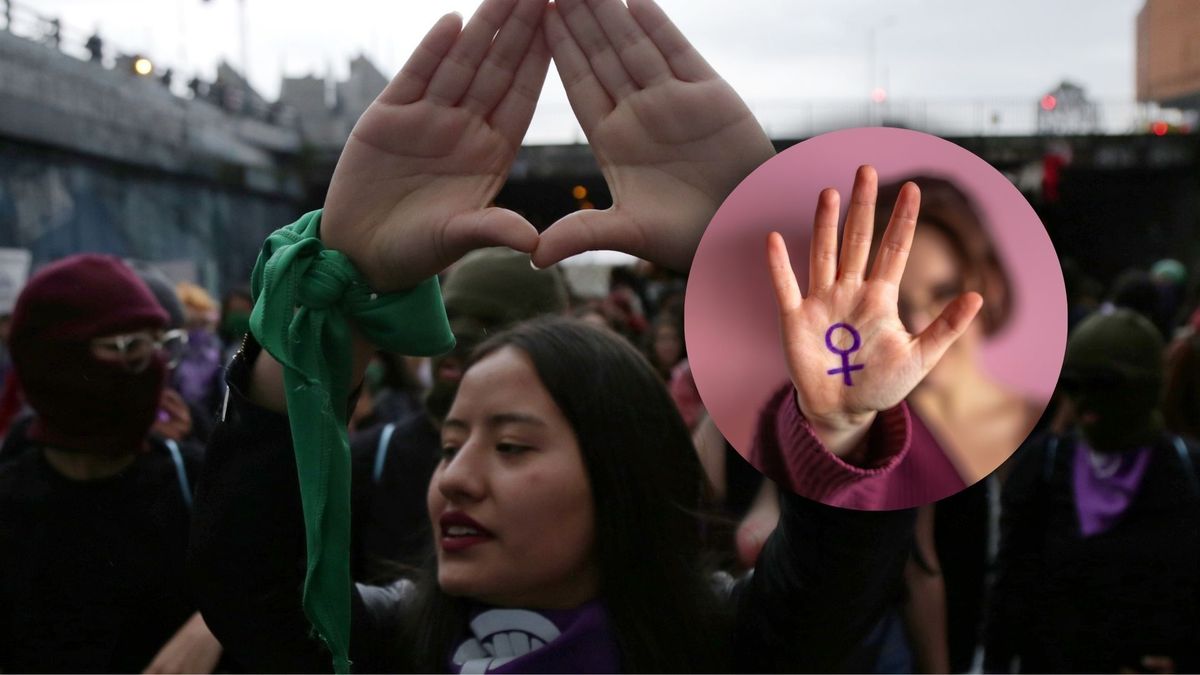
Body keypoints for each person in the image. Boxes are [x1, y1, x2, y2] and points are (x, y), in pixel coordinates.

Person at [186, 1, 983, 672]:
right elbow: (252, 588)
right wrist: (335, 285)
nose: (454, 478)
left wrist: (770, 270)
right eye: (452, 442)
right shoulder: (392, 642)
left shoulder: (724, 642)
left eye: (512, 446)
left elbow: (835, 582)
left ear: (620, 475)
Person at [0, 255, 223, 673]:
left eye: (161, 345)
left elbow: (281, 583)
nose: (154, 367)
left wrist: (213, 626)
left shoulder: (195, 482)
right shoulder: (12, 504)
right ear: (56, 363)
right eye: (129, 348)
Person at [985, 309, 1200, 673]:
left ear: (1145, 386)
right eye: (1073, 385)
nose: (1086, 403)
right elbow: (1010, 589)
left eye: (1104, 385)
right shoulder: (1046, 466)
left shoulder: (1186, 471)